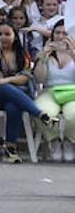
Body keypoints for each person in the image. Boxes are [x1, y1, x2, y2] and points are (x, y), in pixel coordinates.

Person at [0, 22, 43, 162]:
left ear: (15, 37)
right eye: (0, 34)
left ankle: (10, 149)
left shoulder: (22, 54)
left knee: (13, 105)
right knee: (4, 89)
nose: (3, 37)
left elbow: (25, 78)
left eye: (7, 34)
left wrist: (6, 80)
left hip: (15, 97)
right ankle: (39, 113)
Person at [31, 22, 75, 161]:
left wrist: (73, 54)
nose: (61, 37)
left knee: (73, 114)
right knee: (40, 111)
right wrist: (44, 56)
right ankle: (54, 140)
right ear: (52, 35)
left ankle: (70, 141)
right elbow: (39, 79)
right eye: (57, 33)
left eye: (65, 33)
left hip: (72, 92)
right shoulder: (45, 53)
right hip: (50, 92)